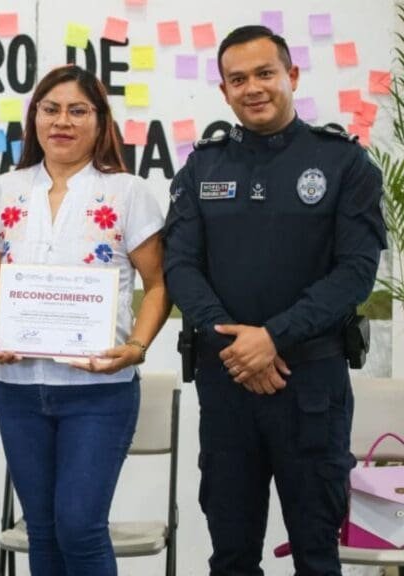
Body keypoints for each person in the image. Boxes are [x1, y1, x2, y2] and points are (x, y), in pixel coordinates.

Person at [164, 25, 386, 575]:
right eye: (237, 79)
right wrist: (237, 347)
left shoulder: (344, 165)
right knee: (232, 555)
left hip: (310, 389)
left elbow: (355, 274)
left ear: (291, 75)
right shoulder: (202, 168)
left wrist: (272, 338)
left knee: (316, 553)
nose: (252, 88)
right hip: (228, 386)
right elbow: (180, 267)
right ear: (224, 91)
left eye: (265, 73)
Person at [0, 65, 170, 575]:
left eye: (78, 110)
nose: (62, 121)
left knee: (80, 526)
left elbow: (159, 284)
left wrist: (139, 346)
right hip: (18, 387)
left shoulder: (127, 192)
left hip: (99, 390)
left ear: (100, 121)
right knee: (42, 530)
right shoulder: (6, 190)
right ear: (34, 117)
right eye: (51, 109)